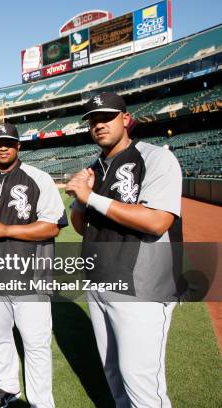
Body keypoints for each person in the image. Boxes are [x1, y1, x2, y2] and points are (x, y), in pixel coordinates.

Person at [66, 92, 184, 408]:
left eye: (106, 116)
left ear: (125, 118)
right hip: (99, 281)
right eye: (92, 120)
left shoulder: (156, 158)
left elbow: (157, 221)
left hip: (141, 288)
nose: (99, 124)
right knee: (115, 378)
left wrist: (91, 198)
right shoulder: (95, 167)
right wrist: (80, 199)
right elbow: (82, 226)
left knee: (142, 387)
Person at [0, 123, 66, 408]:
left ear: (18, 146)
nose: (3, 147)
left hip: (31, 275)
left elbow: (51, 227)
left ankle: (41, 402)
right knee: (0, 338)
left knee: (35, 344)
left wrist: (5, 229)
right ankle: (8, 388)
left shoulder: (38, 178)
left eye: (8, 142)